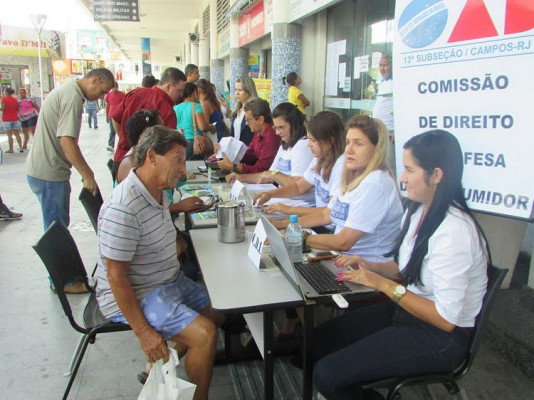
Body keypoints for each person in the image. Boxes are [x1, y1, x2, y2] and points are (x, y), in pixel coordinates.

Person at [313, 129, 490, 400]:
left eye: (409, 170)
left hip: (440, 338)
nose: (403, 178)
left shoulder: (456, 232)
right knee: (318, 341)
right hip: (408, 313)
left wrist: (383, 285)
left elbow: (445, 320)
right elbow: (403, 268)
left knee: (328, 375)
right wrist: (370, 266)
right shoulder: (418, 210)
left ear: (436, 175)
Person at [95, 126, 224, 400]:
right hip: (140, 292)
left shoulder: (158, 191)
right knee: (205, 334)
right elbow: (115, 276)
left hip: (167, 280)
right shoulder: (123, 208)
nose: (183, 169)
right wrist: (144, 333)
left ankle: (168, 357)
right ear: (152, 157)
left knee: (220, 308)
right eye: (178, 159)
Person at [26, 68, 115, 294]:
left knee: (57, 226)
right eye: (102, 91)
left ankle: (64, 277)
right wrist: (88, 175)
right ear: (94, 80)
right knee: (56, 229)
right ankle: (62, 281)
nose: (101, 97)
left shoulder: (68, 91)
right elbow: (67, 142)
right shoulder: (72, 96)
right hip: (49, 172)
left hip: (44, 170)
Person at [270, 115, 403, 262]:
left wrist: (295, 237)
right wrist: (284, 226)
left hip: (364, 268)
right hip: (341, 259)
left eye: (358, 144)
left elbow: (343, 242)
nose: (349, 150)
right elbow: (326, 215)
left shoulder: (376, 183)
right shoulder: (352, 174)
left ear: (376, 149)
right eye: (348, 142)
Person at [254, 111, 346, 229]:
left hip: (329, 228)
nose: (309, 145)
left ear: (330, 141)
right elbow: (299, 187)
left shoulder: (341, 166)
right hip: (319, 221)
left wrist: (288, 211)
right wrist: (270, 194)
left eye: (313, 140)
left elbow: (328, 213)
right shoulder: (320, 158)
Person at [110, 67, 187, 181]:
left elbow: (115, 118)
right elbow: (168, 149)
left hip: (121, 159)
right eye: (179, 90)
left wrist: (125, 139)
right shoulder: (166, 110)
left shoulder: (136, 93)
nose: (181, 95)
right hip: (146, 170)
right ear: (169, 86)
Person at [226, 103, 314, 199]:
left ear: (294, 125)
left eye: (281, 127)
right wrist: (240, 177)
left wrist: (274, 175)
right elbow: (267, 175)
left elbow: (297, 186)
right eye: (275, 128)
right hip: (285, 199)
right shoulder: (285, 143)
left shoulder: (302, 146)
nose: (277, 132)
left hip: (299, 202)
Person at [217, 97, 280, 176]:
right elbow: (248, 155)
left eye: (248, 120)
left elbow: (261, 170)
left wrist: (233, 167)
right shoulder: (258, 133)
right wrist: (223, 152)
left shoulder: (271, 137)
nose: (246, 123)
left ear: (260, 119)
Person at [174, 82, 215, 160]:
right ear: (195, 93)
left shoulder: (175, 108)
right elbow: (202, 127)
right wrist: (212, 127)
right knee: (196, 166)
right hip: (193, 143)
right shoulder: (196, 106)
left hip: (179, 142)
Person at [372, 56, 395, 170]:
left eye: (385, 65)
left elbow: (401, 105)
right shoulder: (383, 82)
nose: (382, 68)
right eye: (380, 65)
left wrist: (396, 128)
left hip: (389, 131)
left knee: (389, 164)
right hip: (379, 129)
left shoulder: (397, 82)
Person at [230, 76, 258, 146]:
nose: (237, 93)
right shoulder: (236, 111)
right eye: (236, 89)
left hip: (249, 149)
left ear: (249, 91)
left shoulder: (255, 110)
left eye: (240, 90)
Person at [1, 88, 23, 153]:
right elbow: (17, 108)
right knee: (17, 134)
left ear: (6, 92)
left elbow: (2, 108)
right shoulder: (15, 100)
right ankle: (21, 147)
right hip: (15, 118)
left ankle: (11, 149)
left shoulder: (4, 99)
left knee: (9, 135)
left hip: (6, 119)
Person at [104, 82, 125, 152]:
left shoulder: (122, 95)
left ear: (117, 87)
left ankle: (122, 144)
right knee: (112, 130)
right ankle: (111, 145)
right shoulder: (109, 95)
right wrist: (107, 116)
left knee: (121, 131)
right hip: (111, 115)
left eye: (114, 87)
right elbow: (107, 105)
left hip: (120, 115)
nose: (113, 89)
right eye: (112, 88)